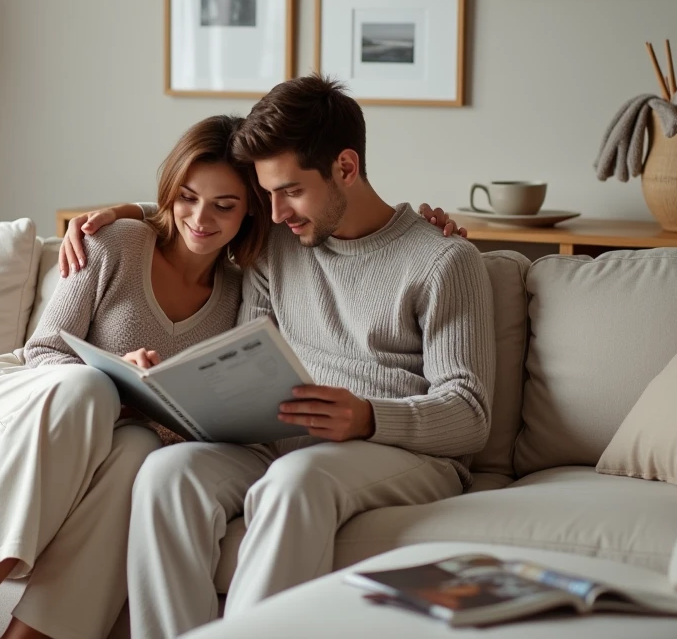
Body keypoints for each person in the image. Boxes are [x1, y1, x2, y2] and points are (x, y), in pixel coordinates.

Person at [60, 74, 493, 639]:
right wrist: (127, 213)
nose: (275, 210)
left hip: (396, 449)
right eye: (265, 194)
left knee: (296, 480)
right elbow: (204, 224)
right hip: (279, 440)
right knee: (168, 474)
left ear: (345, 167)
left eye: (289, 191)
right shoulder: (279, 243)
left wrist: (367, 416)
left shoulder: (444, 261)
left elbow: (470, 414)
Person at [0, 115, 270, 639]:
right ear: (171, 192)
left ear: (249, 210)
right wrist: (117, 375)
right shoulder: (116, 242)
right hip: (10, 407)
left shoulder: (239, 295)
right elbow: (43, 351)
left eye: (224, 205)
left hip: (108, 436)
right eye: (187, 197)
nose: (200, 218)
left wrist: (150, 396)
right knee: (89, 386)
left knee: (139, 454)